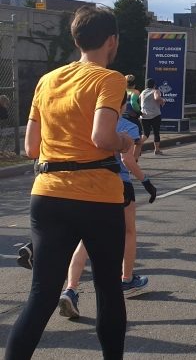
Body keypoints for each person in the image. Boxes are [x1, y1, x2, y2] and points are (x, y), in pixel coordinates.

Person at [7, 6, 135, 358]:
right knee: (108, 289)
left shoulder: (47, 80)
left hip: (48, 193)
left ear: (76, 39)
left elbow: (31, 148)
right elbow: (102, 137)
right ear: (112, 41)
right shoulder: (109, 79)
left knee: (41, 295)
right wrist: (124, 141)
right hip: (97, 196)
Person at [59, 94, 158, 320]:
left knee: (86, 238)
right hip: (118, 184)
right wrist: (146, 181)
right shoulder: (129, 126)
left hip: (90, 184)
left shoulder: (89, 122)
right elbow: (128, 161)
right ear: (123, 105)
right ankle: (127, 279)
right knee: (129, 231)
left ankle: (71, 289)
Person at [139, 77, 166, 155]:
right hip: (155, 115)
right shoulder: (155, 91)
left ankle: (137, 147)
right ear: (154, 85)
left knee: (145, 134)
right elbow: (157, 98)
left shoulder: (143, 92)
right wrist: (163, 101)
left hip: (144, 115)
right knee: (156, 132)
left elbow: (139, 101)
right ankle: (157, 150)